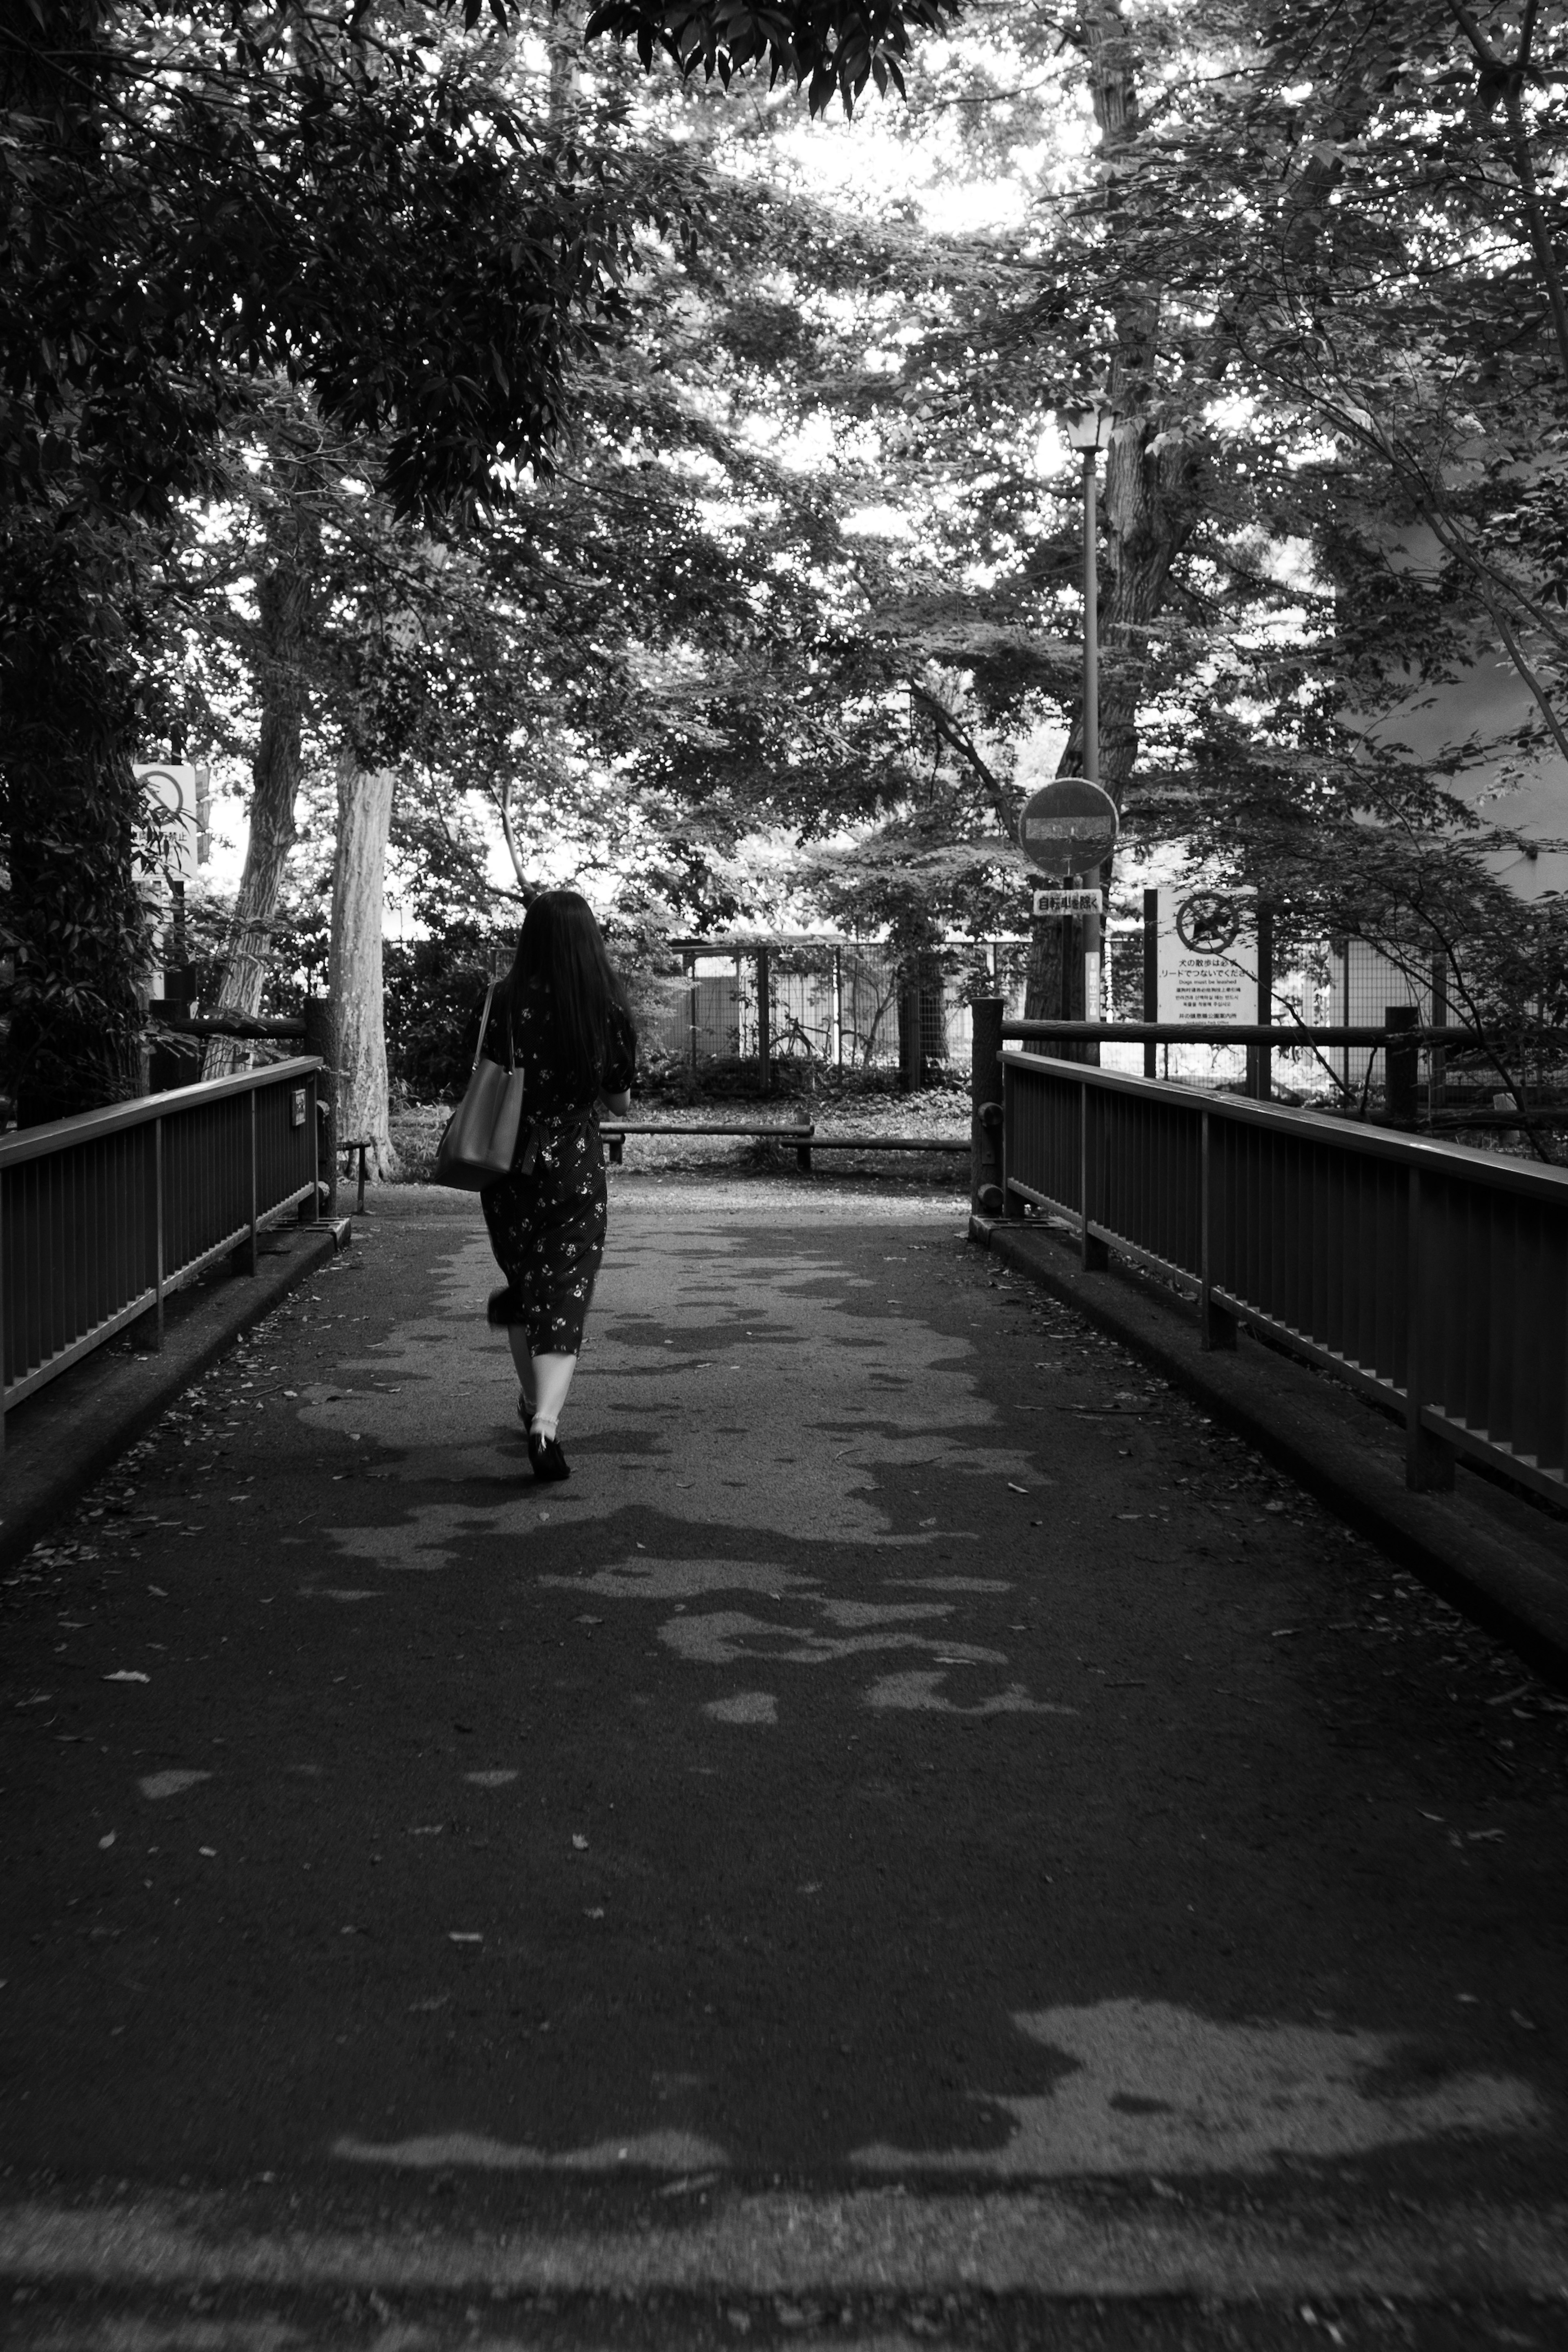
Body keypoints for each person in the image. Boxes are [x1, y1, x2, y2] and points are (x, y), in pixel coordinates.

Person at [478, 891, 636, 1482]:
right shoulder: (603, 1007)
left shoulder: (501, 1000)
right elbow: (618, 1099)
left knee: (523, 1286)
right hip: (571, 1162)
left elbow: (484, 1074)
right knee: (564, 1291)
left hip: (507, 1163)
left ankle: (531, 1404)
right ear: (588, 941)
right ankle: (544, 1422)